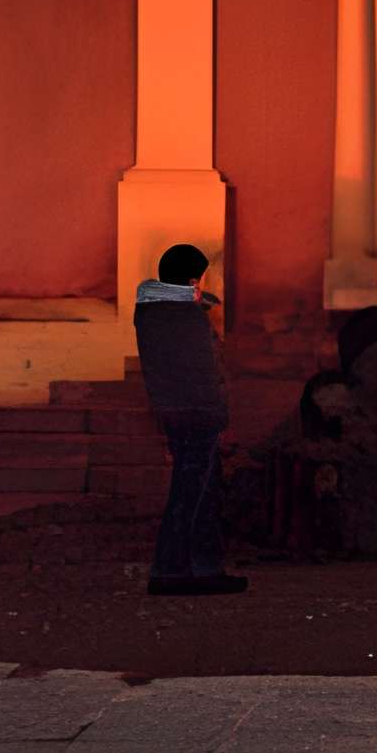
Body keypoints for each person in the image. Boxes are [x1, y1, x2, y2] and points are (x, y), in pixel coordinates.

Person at [134, 242, 243, 595]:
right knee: (192, 492)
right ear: (191, 278)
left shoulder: (153, 311)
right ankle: (172, 569)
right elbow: (204, 370)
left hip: (176, 409)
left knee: (201, 490)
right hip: (196, 411)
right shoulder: (184, 317)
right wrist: (219, 412)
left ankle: (201, 567)